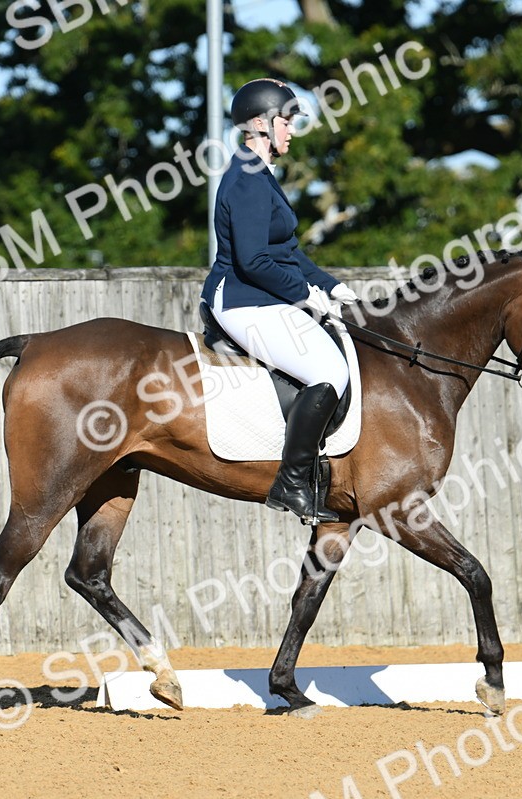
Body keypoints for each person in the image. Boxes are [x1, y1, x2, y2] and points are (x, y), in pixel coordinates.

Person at [200, 78, 359, 524]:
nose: (291, 130)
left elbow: (287, 252)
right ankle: (291, 484)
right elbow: (252, 261)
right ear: (260, 123)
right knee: (329, 371)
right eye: (286, 121)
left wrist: (329, 285)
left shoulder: (261, 175)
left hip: (261, 297)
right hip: (242, 300)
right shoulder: (248, 179)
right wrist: (304, 295)